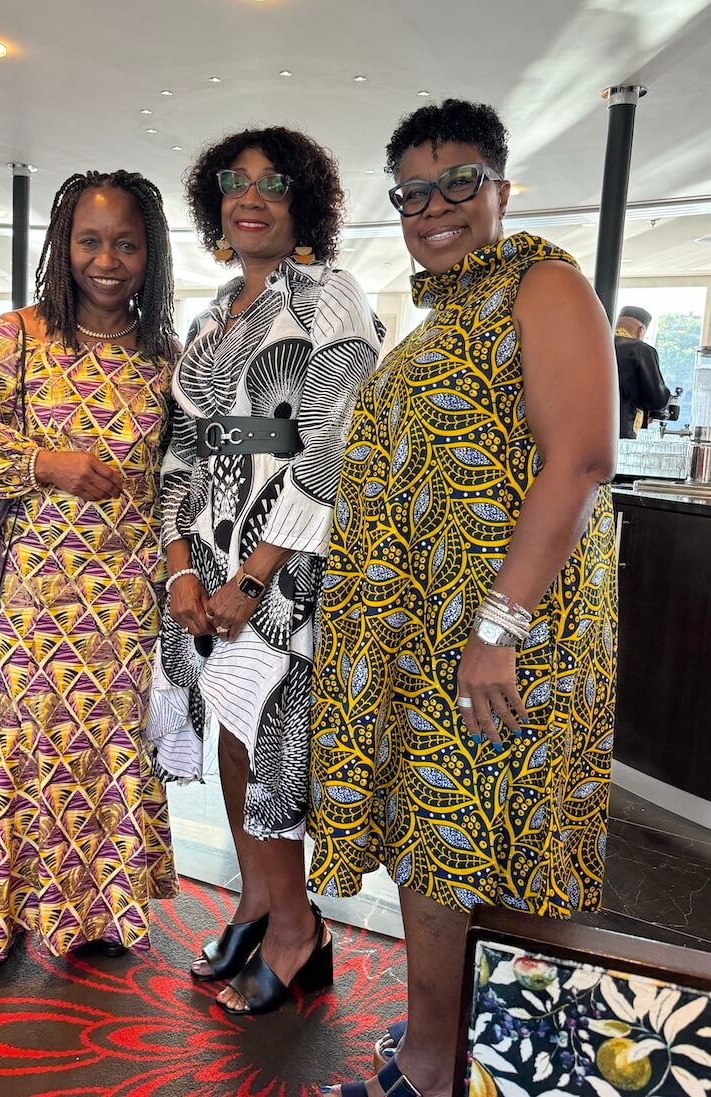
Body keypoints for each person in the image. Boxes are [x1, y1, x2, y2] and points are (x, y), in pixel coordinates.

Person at [308, 100, 618, 1097]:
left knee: (488, 848)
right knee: (437, 847)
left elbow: (579, 460)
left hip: (489, 639)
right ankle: (440, 1049)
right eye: (411, 192)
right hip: (418, 641)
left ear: (501, 189)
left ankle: (460, 1064)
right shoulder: (447, 310)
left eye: (458, 183)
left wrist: (497, 627)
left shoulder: (546, 283)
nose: (433, 206)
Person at [147, 127, 384, 1015]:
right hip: (202, 570)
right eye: (233, 182)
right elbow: (180, 453)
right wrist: (181, 571)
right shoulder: (210, 317)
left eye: (272, 183)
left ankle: (298, 930)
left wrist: (251, 577)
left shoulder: (330, 298)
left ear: (304, 201)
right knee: (233, 735)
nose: (251, 196)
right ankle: (257, 904)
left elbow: (323, 449)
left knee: (273, 741)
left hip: (276, 568)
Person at [0, 170, 180, 975]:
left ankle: (100, 912)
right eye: (90, 240)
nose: (107, 259)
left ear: (153, 254)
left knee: (112, 750)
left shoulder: (164, 359)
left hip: (130, 594)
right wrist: (45, 462)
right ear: (63, 246)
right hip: (38, 589)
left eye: (127, 243)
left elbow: (177, 478)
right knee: (26, 747)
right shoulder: (21, 335)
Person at [614, 305, 670, 438]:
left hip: (580, 427)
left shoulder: (594, 345)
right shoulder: (640, 350)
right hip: (621, 429)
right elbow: (657, 400)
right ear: (641, 330)